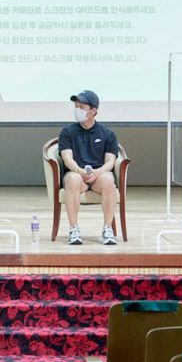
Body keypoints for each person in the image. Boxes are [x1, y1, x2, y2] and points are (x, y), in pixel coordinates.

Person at [58, 90, 119, 246]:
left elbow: (110, 162)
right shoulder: (67, 132)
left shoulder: (107, 133)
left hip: (98, 176)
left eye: (82, 107)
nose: (77, 110)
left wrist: (97, 172)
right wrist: (79, 171)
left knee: (108, 179)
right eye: (76, 106)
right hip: (78, 175)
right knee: (72, 179)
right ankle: (74, 229)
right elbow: (67, 158)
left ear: (93, 111)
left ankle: (107, 229)